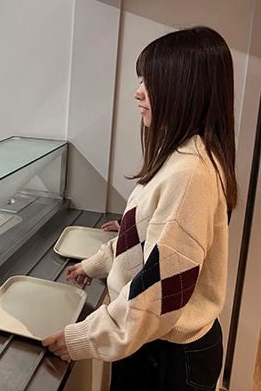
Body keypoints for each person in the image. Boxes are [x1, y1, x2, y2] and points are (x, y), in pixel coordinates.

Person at [43, 26, 237, 391]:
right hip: (151, 343)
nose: (138, 93)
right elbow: (148, 246)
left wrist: (84, 337)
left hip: (167, 357)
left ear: (183, 89)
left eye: (150, 82)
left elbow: (159, 292)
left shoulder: (191, 173)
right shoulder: (179, 157)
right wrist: (96, 264)